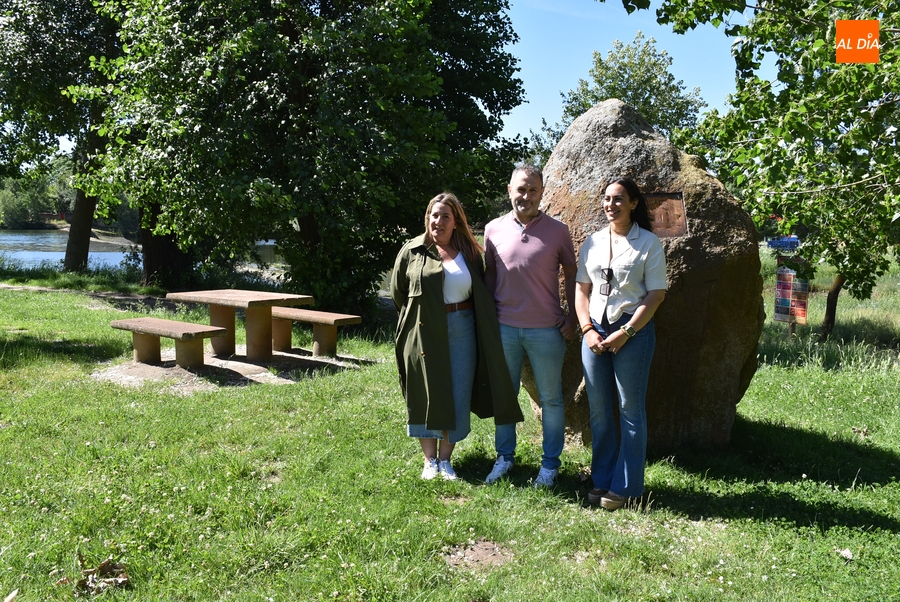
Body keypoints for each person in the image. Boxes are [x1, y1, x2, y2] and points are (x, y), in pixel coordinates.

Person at [391, 192, 522, 481]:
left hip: (463, 326)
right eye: (433, 215)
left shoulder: (471, 253)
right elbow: (398, 293)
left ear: (455, 222)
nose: (438, 221)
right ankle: (429, 461)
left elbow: (482, 291)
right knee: (425, 390)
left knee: (458, 390)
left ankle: (446, 461)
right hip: (422, 328)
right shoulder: (411, 250)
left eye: (445, 216)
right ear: (427, 218)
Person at [483, 164, 578, 488]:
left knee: (551, 399)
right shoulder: (493, 229)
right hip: (504, 329)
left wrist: (572, 317)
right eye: (521, 189)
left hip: (547, 331)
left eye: (533, 190)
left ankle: (550, 466)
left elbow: (572, 271)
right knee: (505, 396)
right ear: (510, 190)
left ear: (542, 193)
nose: (526, 195)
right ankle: (504, 458)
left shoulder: (558, 231)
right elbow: (490, 275)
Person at [574, 178, 667, 510]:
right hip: (594, 332)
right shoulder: (593, 242)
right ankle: (602, 480)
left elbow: (656, 294)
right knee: (599, 412)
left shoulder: (649, 243)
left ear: (633, 204)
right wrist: (586, 329)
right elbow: (582, 289)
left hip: (632, 333)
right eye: (607, 199)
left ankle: (627, 488)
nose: (610, 205)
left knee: (630, 411)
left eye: (618, 199)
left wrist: (626, 331)